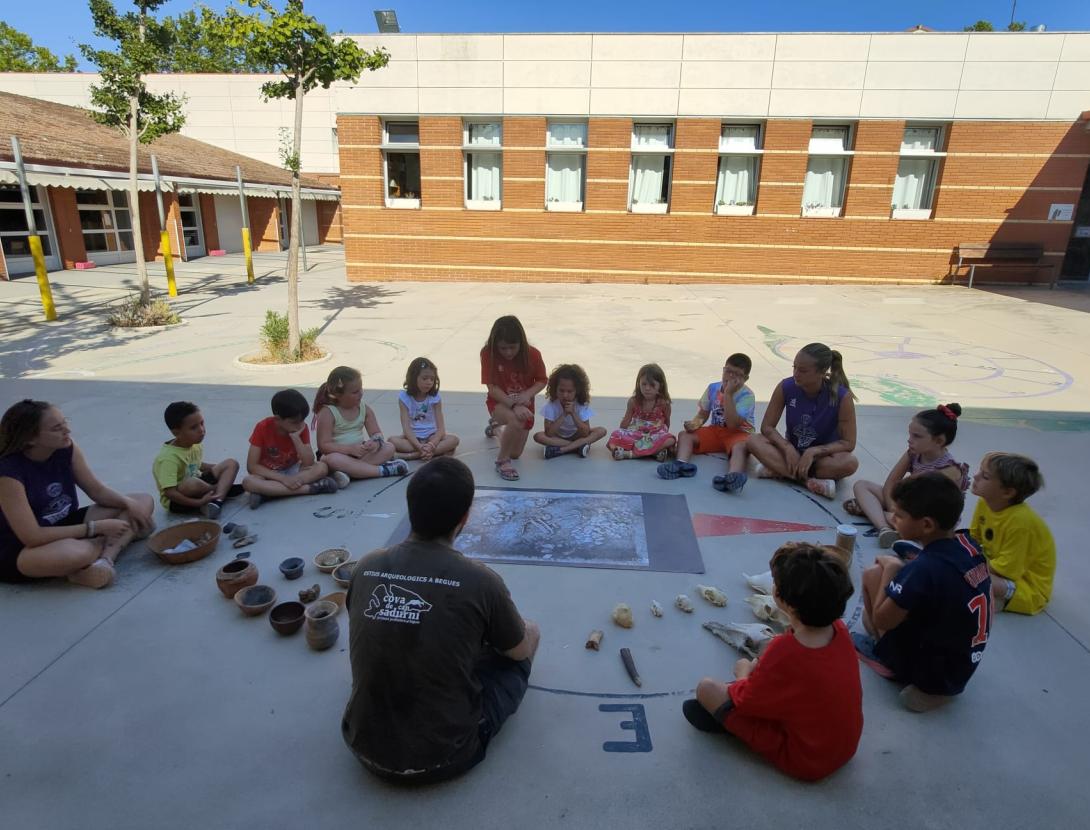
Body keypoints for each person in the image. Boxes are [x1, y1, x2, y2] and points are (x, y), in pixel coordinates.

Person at [342, 457, 540, 784]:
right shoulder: (480, 580)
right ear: (464, 518)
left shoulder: (367, 565)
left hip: (361, 744)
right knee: (527, 635)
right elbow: (517, 653)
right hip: (447, 756)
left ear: (410, 507)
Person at [682, 542, 861, 781]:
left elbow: (746, 701)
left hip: (807, 759)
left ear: (779, 597)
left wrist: (743, 673)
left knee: (707, 690)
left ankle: (728, 724)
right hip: (844, 747)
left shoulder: (785, 651)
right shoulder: (840, 631)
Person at [856, 473, 992, 712]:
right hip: (963, 664)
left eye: (899, 515)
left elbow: (880, 619)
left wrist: (893, 569)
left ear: (927, 525)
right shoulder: (970, 545)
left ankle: (888, 660)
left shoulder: (925, 570)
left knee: (873, 575)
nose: (892, 518)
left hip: (928, 672)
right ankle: (934, 685)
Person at [0, 399, 155, 588]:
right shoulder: (7, 473)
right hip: (21, 549)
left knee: (141, 501)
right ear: (30, 438)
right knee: (77, 553)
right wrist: (96, 528)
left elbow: (97, 491)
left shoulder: (65, 448)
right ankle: (102, 549)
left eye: (65, 422)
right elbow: (32, 536)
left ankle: (104, 561)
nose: (67, 431)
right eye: (57, 428)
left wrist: (129, 504)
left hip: (64, 523)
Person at [845, 403, 969, 548]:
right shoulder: (914, 452)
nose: (910, 439)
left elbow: (932, 510)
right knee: (862, 485)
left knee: (912, 519)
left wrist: (899, 512)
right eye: (910, 434)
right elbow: (891, 483)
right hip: (908, 505)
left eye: (916, 436)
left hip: (929, 520)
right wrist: (893, 509)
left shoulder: (949, 470)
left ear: (939, 441)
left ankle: (874, 513)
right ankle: (884, 528)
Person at [746, 342, 858, 499]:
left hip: (821, 459)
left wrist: (814, 451)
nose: (796, 374)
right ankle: (809, 482)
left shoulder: (842, 396)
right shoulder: (786, 386)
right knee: (753, 440)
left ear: (822, 372)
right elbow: (767, 427)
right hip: (792, 452)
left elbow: (848, 443)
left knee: (850, 463)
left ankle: (779, 470)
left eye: (803, 370)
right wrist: (787, 448)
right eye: (794, 367)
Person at [969, 452, 1055, 615]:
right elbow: (973, 538)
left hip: (1027, 587)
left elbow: (1007, 570)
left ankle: (1002, 597)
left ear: (1007, 492)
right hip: (999, 569)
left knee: (969, 579)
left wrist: (965, 567)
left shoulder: (1021, 522)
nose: (975, 476)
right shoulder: (985, 502)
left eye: (985, 476)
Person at [658, 353, 756, 493]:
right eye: (728, 371)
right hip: (716, 430)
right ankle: (681, 464)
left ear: (745, 379)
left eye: (737, 374)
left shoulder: (747, 396)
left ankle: (733, 476)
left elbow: (733, 424)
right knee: (685, 435)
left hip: (739, 434)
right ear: (723, 370)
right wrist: (695, 423)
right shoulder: (713, 388)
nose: (730, 377)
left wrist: (728, 394)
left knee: (740, 447)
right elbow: (703, 414)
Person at [241, 389, 343, 510]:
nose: (300, 425)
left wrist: (296, 439)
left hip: (293, 471)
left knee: (321, 467)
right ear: (278, 419)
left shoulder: (301, 428)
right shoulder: (262, 427)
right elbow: (252, 466)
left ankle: (268, 494)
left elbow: (309, 462)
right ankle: (309, 489)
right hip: (269, 474)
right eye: (294, 422)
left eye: (302, 421)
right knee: (248, 482)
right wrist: (283, 479)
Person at [481, 315, 547, 481]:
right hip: (499, 402)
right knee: (515, 419)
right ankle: (502, 461)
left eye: (512, 347)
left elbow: (542, 380)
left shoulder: (533, 354)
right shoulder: (488, 353)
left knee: (516, 453)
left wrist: (526, 395)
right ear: (495, 345)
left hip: (525, 403)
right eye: (503, 348)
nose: (508, 352)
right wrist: (513, 404)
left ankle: (496, 429)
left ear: (521, 343)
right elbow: (492, 387)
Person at [313, 366, 407, 480]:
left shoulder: (363, 408)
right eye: (355, 392)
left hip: (360, 453)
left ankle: (351, 472)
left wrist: (376, 442)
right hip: (339, 454)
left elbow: (376, 433)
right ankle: (381, 470)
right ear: (338, 395)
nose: (361, 393)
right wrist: (349, 449)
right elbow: (324, 446)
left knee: (389, 447)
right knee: (331, 460)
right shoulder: (328, 412)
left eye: (361, 389)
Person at [153, 401, 241, 519]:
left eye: (202, 423)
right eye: (193, 427)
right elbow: (170, 493)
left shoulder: (194, 444)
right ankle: (220, 492)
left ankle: (217, 501)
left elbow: (196, 465)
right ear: (176, 432)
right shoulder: (168, 458)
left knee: (231, 463)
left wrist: (220, 469)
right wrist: (198, 502)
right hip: (178, 500)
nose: (201, 430)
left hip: (199, 485)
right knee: (190, 483)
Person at [390, 357, 460, 461]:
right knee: (391, 441)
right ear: (413, 378)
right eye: (425, 378)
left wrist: (432, 444)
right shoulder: (404, 398)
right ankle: (433, 453)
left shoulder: (434, 398)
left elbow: (441, 429)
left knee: (454, 439)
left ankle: (414, 455)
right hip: (412, 438)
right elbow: (406, 428)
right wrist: (419, 445)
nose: (429, 382)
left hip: (432, 435)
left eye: (432, 379)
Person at [533, 364, 607, 459]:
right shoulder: (551, 405)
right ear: (555, 389)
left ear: (577, 391)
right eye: (561, 390)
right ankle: (577, 447)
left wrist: (573, 413)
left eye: (569, 391)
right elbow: (549, 433)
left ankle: (561, 450)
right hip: (558, 436)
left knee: (601, 430)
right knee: (538, 436)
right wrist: (564, 414)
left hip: (577, 435)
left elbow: (585, 432)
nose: (565, 395)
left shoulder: (581, 405)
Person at [607, 363, 675, 462]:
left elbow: (667, 422)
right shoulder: (633, 401)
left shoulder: (664, 403)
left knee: (671, 439)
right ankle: (654, 452)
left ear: (660, 385)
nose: (647, 388)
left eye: (652, 385)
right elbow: (626, 421)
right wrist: (622, 433)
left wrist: (662, 436)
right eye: (644, 384)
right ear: (638, 383)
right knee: (615, 435)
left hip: (654, 434)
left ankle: (630, 454)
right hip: (636, 433)